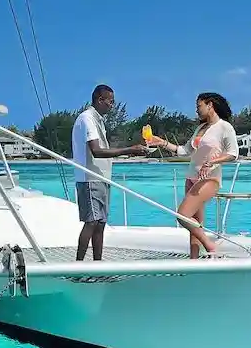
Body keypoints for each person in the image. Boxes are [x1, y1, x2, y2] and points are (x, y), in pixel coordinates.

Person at [146, 92, 239, 258]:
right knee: (194, 225)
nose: (196, 110)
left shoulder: (224, 127)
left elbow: (233, 154)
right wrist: (161, 142)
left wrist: (213, 162)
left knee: (182, 215)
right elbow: (184, 151)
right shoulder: (200, 128)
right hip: (191, 177)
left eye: (199, 106)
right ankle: (194, 260)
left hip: (209, 178)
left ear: (210, 105)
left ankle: (209, 245)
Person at [74, 84, 149, 261]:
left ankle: (97, 264)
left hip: (101, 177)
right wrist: (130, 150)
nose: (112, 106)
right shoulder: (87, 119)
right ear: (100, 100)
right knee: (91, 221)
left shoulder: (97, 119)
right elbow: (97, 151)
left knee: (100, 223)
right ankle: (78, 265)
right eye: (110, 102)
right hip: (89, 177)